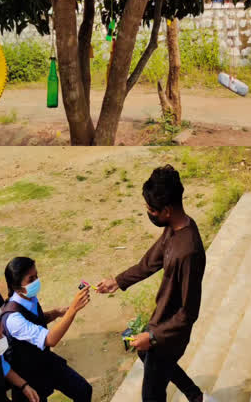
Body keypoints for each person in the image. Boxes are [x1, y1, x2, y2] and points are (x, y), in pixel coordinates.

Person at [97, 166, 212, 402]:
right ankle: (195, 395)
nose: (148, 213)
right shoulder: (173, 228)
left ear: (167, 210)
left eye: (151, 210)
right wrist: (117, 282)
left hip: (171, 335)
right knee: (144, 354)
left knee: (151, 395)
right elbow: (149, 262)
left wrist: (154, 337)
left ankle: (194, 395)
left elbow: (189, 313)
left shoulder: (188, 252)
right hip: (160, 321)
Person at [0, 257, 92, 402]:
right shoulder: (13, 319)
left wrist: (55, 313)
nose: (36, 281)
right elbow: (50, 339)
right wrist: (73, 309)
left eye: (36, 276)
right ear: (17, 287)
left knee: (83, 390)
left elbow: (36, 318)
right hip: (28, 376)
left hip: (44, 361)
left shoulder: (28, 297)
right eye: (31, 279)